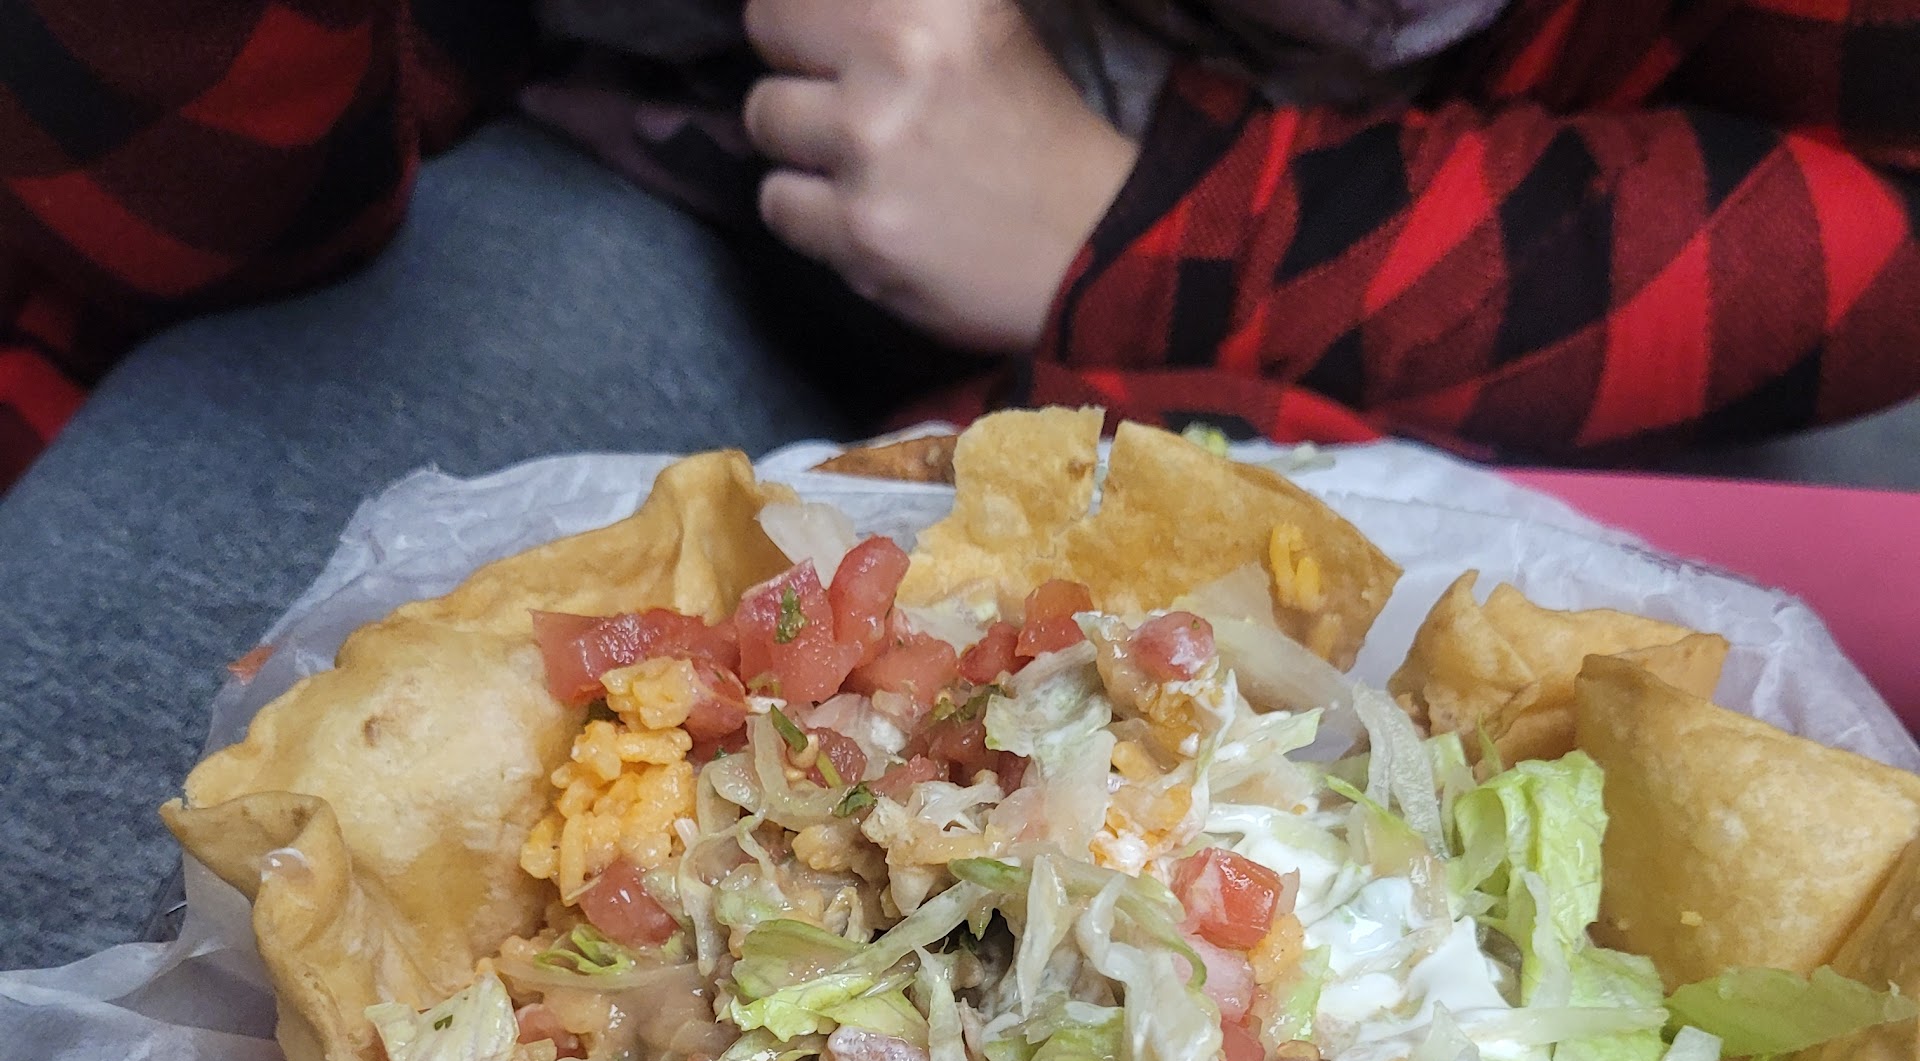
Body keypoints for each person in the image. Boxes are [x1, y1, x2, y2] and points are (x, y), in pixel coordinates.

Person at [0, 0, 1916, 969]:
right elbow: (187, 210)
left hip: (1453, 255)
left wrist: (1151, 221)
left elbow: (1872, 209)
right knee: (107, 844)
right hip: (643, 178)